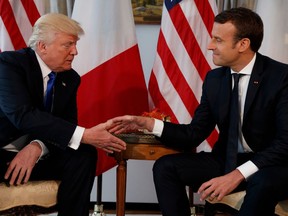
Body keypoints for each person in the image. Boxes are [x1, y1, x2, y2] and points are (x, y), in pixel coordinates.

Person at [109, 7, 288, 216]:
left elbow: (284, 144)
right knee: (166, 167)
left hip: (274, 165)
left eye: (218, 40)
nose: (210, 46)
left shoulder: (280, 77)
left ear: (243, 44)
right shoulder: (214, 79)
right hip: (227, 160)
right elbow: (193, 134)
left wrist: (238, 174)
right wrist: (149, 124)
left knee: (261, 181)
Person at [0, 13, 126, 216]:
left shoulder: (70, 78)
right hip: (2, 151)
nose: (74, 52)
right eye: (67, 45)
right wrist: (85, 135)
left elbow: (66, 124)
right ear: (42, 46)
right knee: (81, 141)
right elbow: (22, 115)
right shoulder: (9, 65)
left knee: (83, 154)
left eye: (75, 45)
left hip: (35, 155)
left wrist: (36, 147)